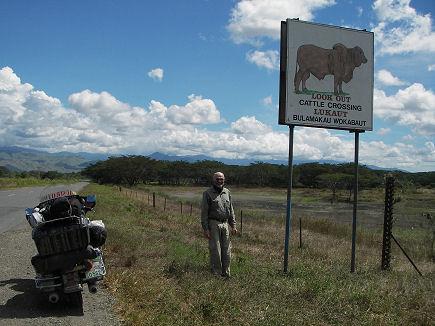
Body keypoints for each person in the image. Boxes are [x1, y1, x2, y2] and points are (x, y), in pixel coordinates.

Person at [201, 172, 238, 277]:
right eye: (217, 179)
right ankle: (216, 273)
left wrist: (233, 225)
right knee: (215, 249)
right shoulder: (207, 193)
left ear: (224, 180)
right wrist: (205, 228)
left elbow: (231, 210)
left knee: (226, 249)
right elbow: (204, 212)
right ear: (213, 180)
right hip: (213, 224)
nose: (219, 181)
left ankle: (226, 273)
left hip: (225, 224)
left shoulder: (227, 192)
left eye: (221, 179)